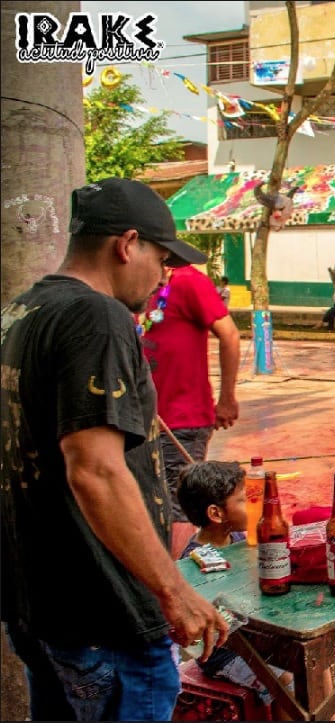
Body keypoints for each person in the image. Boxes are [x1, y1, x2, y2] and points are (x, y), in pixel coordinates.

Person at [0, 177, 229, 721]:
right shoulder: (97, 317)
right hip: (105, 617)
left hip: (42, 610)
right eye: (163, 258)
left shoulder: (23, 311)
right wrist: (172, 592)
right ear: (127, 245)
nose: (164, 277)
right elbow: (96, 473)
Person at [177, 460, 295, 716]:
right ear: (216, 514)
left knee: (312, 667)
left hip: (254, 639)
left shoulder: (240, 539)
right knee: (286, 681)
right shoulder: (194, 562)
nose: (254, 506)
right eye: (244, 500)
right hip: (225, 653)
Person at [141, 262, 241, 560]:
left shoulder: (187, 281)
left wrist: (227, 398)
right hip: (146, 422)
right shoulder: (141, 286)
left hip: (181, 421)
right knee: (150, 503)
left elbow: (230, 334)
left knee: (179, 507)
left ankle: (182, 588)